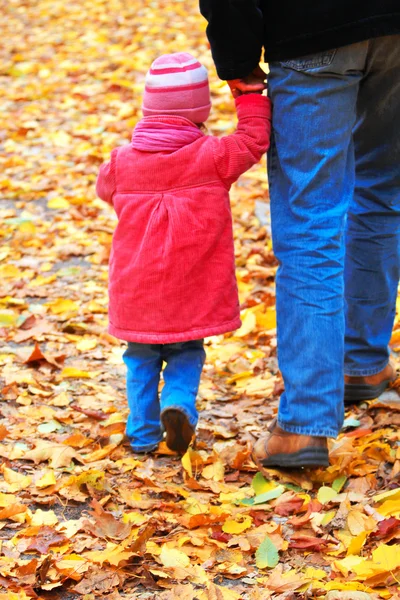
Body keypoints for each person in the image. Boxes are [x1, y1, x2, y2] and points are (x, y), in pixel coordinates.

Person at [200, 1, 400, 469]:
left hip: (312, 29)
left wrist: (238, 59)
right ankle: (363, 362)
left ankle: (305, 424)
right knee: (383, 194)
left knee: (312, 222)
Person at [96, 52, 271, 454]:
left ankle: (141, 435)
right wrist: (250, 95)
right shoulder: (212, 157)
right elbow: (253, 140)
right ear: (198, 112)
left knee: (139, 360)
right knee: (187, 350)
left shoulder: (122, 163)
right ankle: (178, 404)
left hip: (136, 289)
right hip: (190, 290)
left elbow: (105, 190)